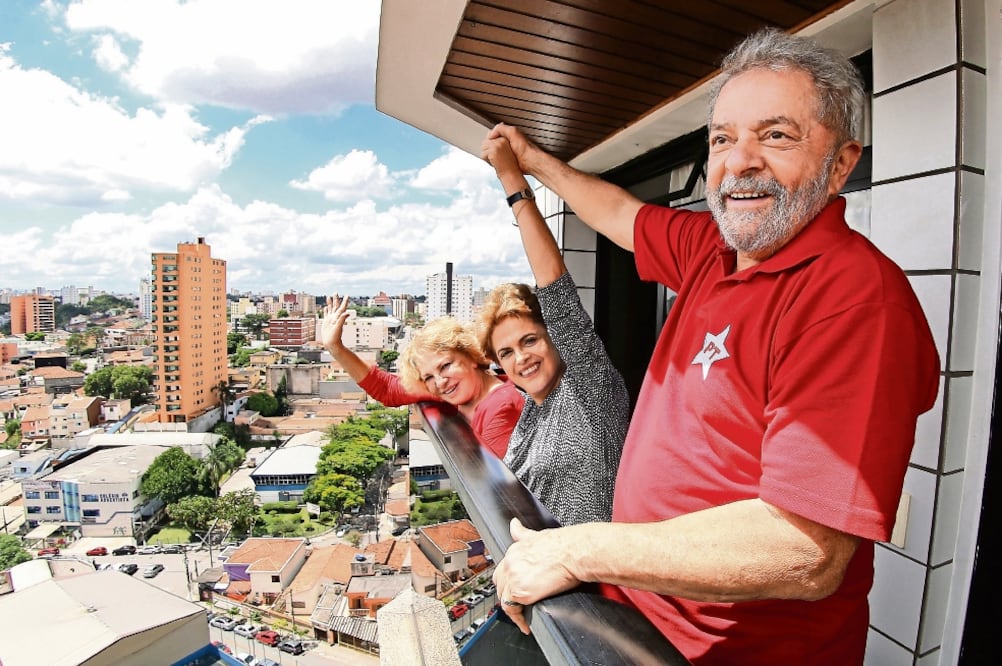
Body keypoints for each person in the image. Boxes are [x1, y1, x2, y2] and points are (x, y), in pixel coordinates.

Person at [487, 28, 940, 665]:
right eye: (723, 139)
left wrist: (575, 547)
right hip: (636, 624)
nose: (741, 160)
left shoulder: (857, 298)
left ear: (841, 163)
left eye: (776, 135)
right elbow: (616, 211)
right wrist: (530, 163)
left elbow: (804, 549)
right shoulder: (714, 250)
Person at [476, 136, 630, 526]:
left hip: (598, 581)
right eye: (507, 352)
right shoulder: (531, 410)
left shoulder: (590, 391)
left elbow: (555, 289)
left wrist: (512, 182)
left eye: (530, 340)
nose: (521, 357)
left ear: (555, 337)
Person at [317, 296, 522, 458]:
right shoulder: (456, 389)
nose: (440, 381)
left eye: (446, 365)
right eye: (429, 377)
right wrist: (335, 348)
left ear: (471, 356)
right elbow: (387, 389)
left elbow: (505, 492)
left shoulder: (501, 406)